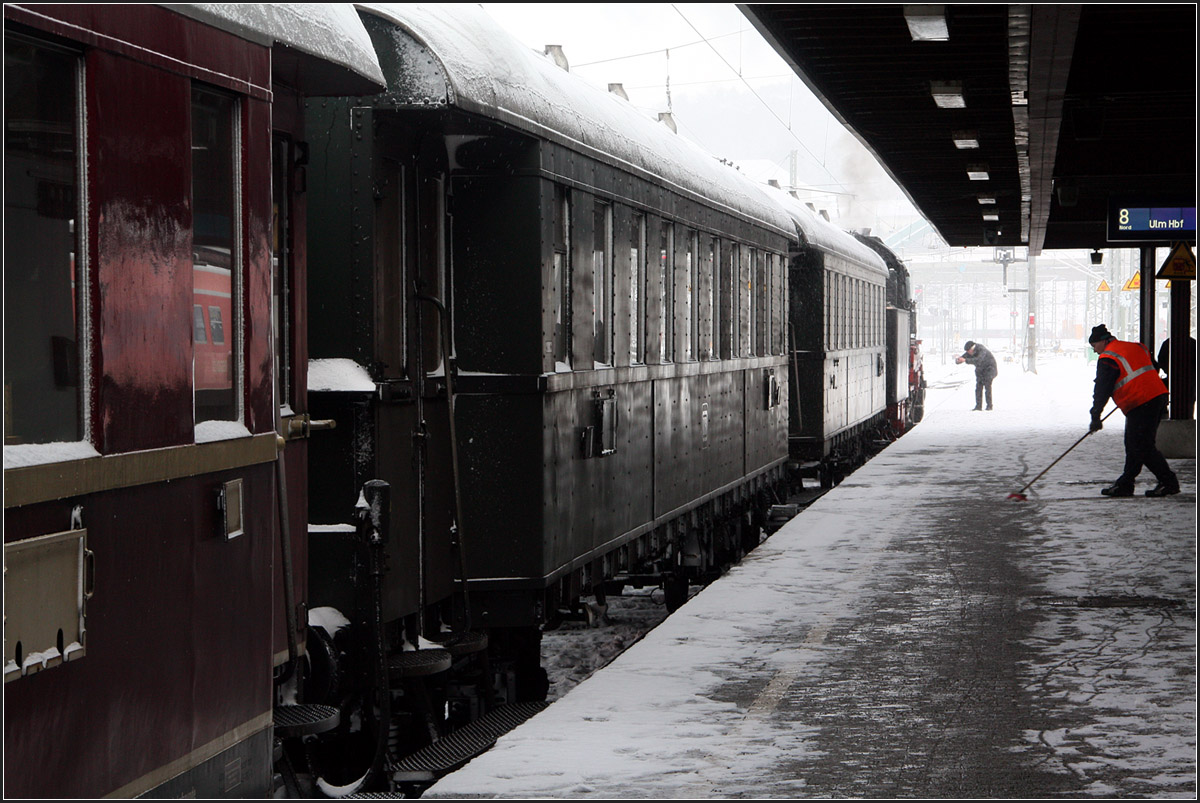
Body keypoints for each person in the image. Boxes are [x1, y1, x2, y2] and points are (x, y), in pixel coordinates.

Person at [1087, 324, 1180, 497]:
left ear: (1102, 341)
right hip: (1156, 397)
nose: (1095, 351)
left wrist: (1096, 416)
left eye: (1094, 346)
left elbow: (1102, 389)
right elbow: (1153, 367)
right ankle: (1125, 484)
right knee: (1133, 444)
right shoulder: (1135, 347)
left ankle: (1168, 482)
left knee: (1142, 445)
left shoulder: (1108, 357)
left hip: (1141, 401)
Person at [955, 340, 997, 410]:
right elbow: (963, 358)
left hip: (990, 369)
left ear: (972, 348)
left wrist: (965, 360)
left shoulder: (981, 350)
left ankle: (989, 406)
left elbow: (978, 360)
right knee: (978, 388)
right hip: (980, 371)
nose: (968, 353)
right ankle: (978, 406)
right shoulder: (970, 351)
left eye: (969, 351)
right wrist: (958, 360)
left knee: (987, 387)